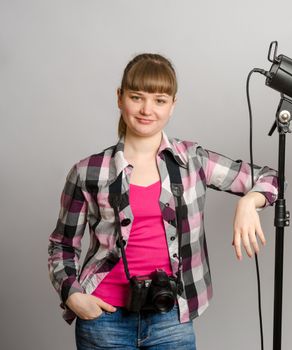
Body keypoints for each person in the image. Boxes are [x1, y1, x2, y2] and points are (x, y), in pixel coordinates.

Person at [48, 53, 279, 349]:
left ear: (172, 105)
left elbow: (271, 179)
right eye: (136, 97)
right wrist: (72, 295)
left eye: (159, 100)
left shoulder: (192, 160)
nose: (147, 109)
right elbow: (62, 245)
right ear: (120, 98)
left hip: (170, 317)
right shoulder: (88, 171)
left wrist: (249, 202)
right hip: (102, 319)